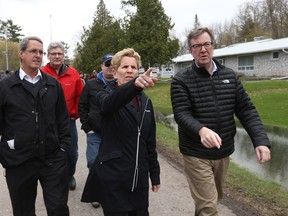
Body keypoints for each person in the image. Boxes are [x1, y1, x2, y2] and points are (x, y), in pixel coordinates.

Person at [170, 27, 271, 216]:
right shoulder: (180, 80)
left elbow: (246, 110)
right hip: (195, 153)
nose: (203, 49)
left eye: (206, 44)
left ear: (213, 46)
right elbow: (181, 114)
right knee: (209, 207)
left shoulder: (230, 76)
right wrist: (201, 130)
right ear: (191, 50)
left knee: (212, 200)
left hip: (223, 151)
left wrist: (261, 141)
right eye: (197, 45)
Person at [81, 48, 160, 216]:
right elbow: (110, 104)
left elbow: (149, 140)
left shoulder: (146, 101)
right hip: (113, 177)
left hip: (138, 178)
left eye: (133, 67)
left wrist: (154, 173)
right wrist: (134, 86)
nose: (130, 71)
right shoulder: (104, 95)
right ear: (115, 72)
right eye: (125, 67)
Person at [0, 36, 70, 216]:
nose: (38, 55)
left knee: (58, 209)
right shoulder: (6, 87)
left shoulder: (52, 84)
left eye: (41, 52)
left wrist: (63, 149)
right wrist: (7, 154)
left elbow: (63, 119)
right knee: (23, 211)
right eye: (33, 51)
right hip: (19, 162)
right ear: (21, 54)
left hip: (52, 159)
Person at [41, 41, 84, 191]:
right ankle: (53, 178)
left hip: (68, 121)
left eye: (59, 53)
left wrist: (76, 114)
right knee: (49, 151)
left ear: (64, 56)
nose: (57, 56)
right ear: (48, 56)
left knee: (71, 153)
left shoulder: (73, 73)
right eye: (53, 54)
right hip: (47, 122)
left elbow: (81, 96)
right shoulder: (41, 73)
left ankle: (69, 174)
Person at [78, 53, 115, 208]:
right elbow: (83, 106)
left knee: (113, 163)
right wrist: (87, 128)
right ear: (102, 66)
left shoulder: (122, 84)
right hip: (95, 132)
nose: (111, 67)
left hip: (115, 133)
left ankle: (110, 191)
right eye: (108, 64)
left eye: (114, 64)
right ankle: (96, 192)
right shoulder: (91, 84)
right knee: (93, 161)